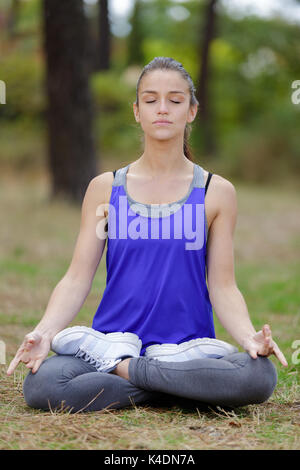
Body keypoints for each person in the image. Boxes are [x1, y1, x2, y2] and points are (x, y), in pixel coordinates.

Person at [7, 57, 287, 414]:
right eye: (151, 100)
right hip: (110, 345)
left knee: (259, 376)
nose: (163, 109)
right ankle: (179, 390)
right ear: (137, 111)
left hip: (188, 351)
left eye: (175, 99)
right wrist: (44, 333)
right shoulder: (105, 189)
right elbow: (77, 277)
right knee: (42, 384)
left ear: (192, 111)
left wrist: (249, 337)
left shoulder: (216, 192)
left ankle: (134, 376)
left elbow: (223, 286)